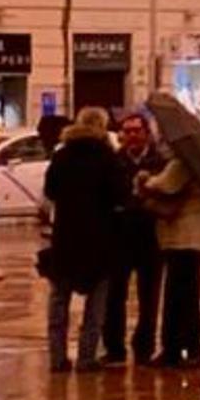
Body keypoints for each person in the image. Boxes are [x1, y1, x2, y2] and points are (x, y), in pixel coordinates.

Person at [43, 106, 130, 372]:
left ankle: (57, 357)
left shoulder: (62, 155)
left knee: (59, 298)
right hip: (99, 238)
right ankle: (86, 356)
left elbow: (50, 190)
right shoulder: (107, 157)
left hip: (66, 236)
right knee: (96, 302)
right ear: (102, 127)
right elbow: (120, 195)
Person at [143, 148, 200, 371]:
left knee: (179, 296)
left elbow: (166, 184)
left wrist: (146, 180)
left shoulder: (184, 161)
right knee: (182, 295)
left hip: (184, 237)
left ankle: (181, 350)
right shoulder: (199, 161)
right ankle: (181, 349)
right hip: (191, 237)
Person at [103, 110, 165, 366]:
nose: (131, 136)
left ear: (147, 134)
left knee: (149, 296)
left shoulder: (159, 161)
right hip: (120, 236)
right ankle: (114, 349)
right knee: (114, 295)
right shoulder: (113, 161)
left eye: (136, 131)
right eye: (126, 131)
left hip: (151, 237)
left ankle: (144, 348)